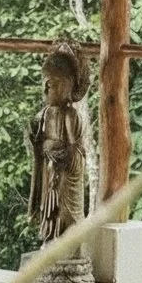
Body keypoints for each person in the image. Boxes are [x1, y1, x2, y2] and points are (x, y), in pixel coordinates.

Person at [28, 40, 90, 246]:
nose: (46, 91)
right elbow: (38, 142)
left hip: (63, 173)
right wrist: (37, 143)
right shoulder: (45, 113)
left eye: (51, 85)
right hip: (50, 170)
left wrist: (60, 155)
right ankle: (51, 239)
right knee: (49, 210)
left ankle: (68, 244)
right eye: (44, 85)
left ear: (65, 87)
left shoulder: (70, 115)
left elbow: (75, 150)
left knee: (65, 212)